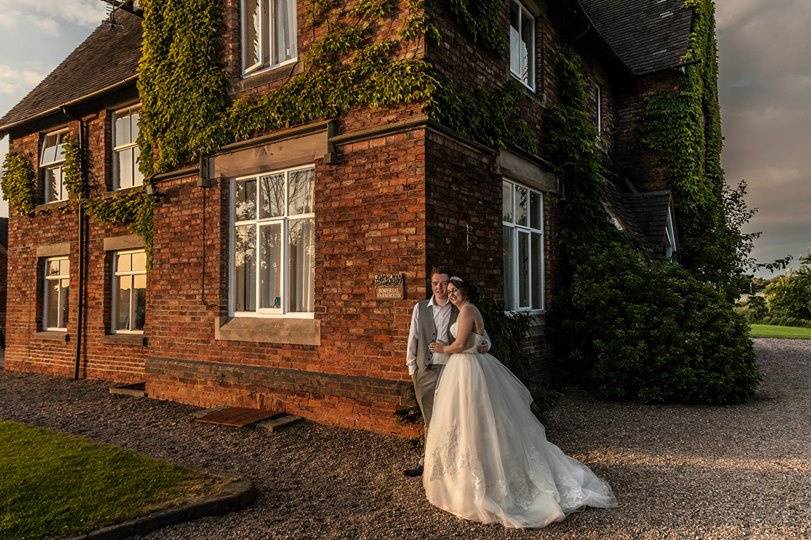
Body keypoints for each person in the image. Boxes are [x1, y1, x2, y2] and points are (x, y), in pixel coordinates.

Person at [423, 276, 617, 527]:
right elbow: (485, 341)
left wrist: (441, 348)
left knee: (473, 418)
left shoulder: (468, 309)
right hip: (470, 367)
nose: (450, 294)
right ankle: (468, 474)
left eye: (454, 290)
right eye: (448, 291)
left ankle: (485, 482)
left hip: (467, 369)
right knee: (472, 419)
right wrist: (477, 345)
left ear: (465, 291)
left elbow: (460, 344)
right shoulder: (468, 311)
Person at [403, 267, 490, 477]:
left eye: (443, 283)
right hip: (426, 371)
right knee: (430, 419)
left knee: (453, 418)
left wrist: (485, 345)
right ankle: (428, 462)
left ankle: (452, 463)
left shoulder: (459, 308)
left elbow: (482, 337)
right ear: (431, 285)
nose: (440, 288)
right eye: (435, 283)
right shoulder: (420, 308)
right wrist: (412, 369)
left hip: (453, 370)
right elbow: (413, 338)